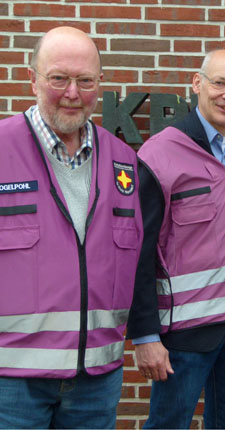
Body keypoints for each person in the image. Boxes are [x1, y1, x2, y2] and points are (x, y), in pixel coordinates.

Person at [0, 26, 143, 428]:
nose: (72, 93)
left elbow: (134, 257)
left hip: (96, 379)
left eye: (85, 80)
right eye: (58, 78)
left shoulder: (123, 161)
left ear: (100, 82)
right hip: (12, 379)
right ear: (31, 78)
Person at [126, 49, 225, 429]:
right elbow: (137, 251)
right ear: (197, 84)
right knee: (168, 424)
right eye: (220, 83)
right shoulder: (160, 153)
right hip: (185, 332)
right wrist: (144, 334)